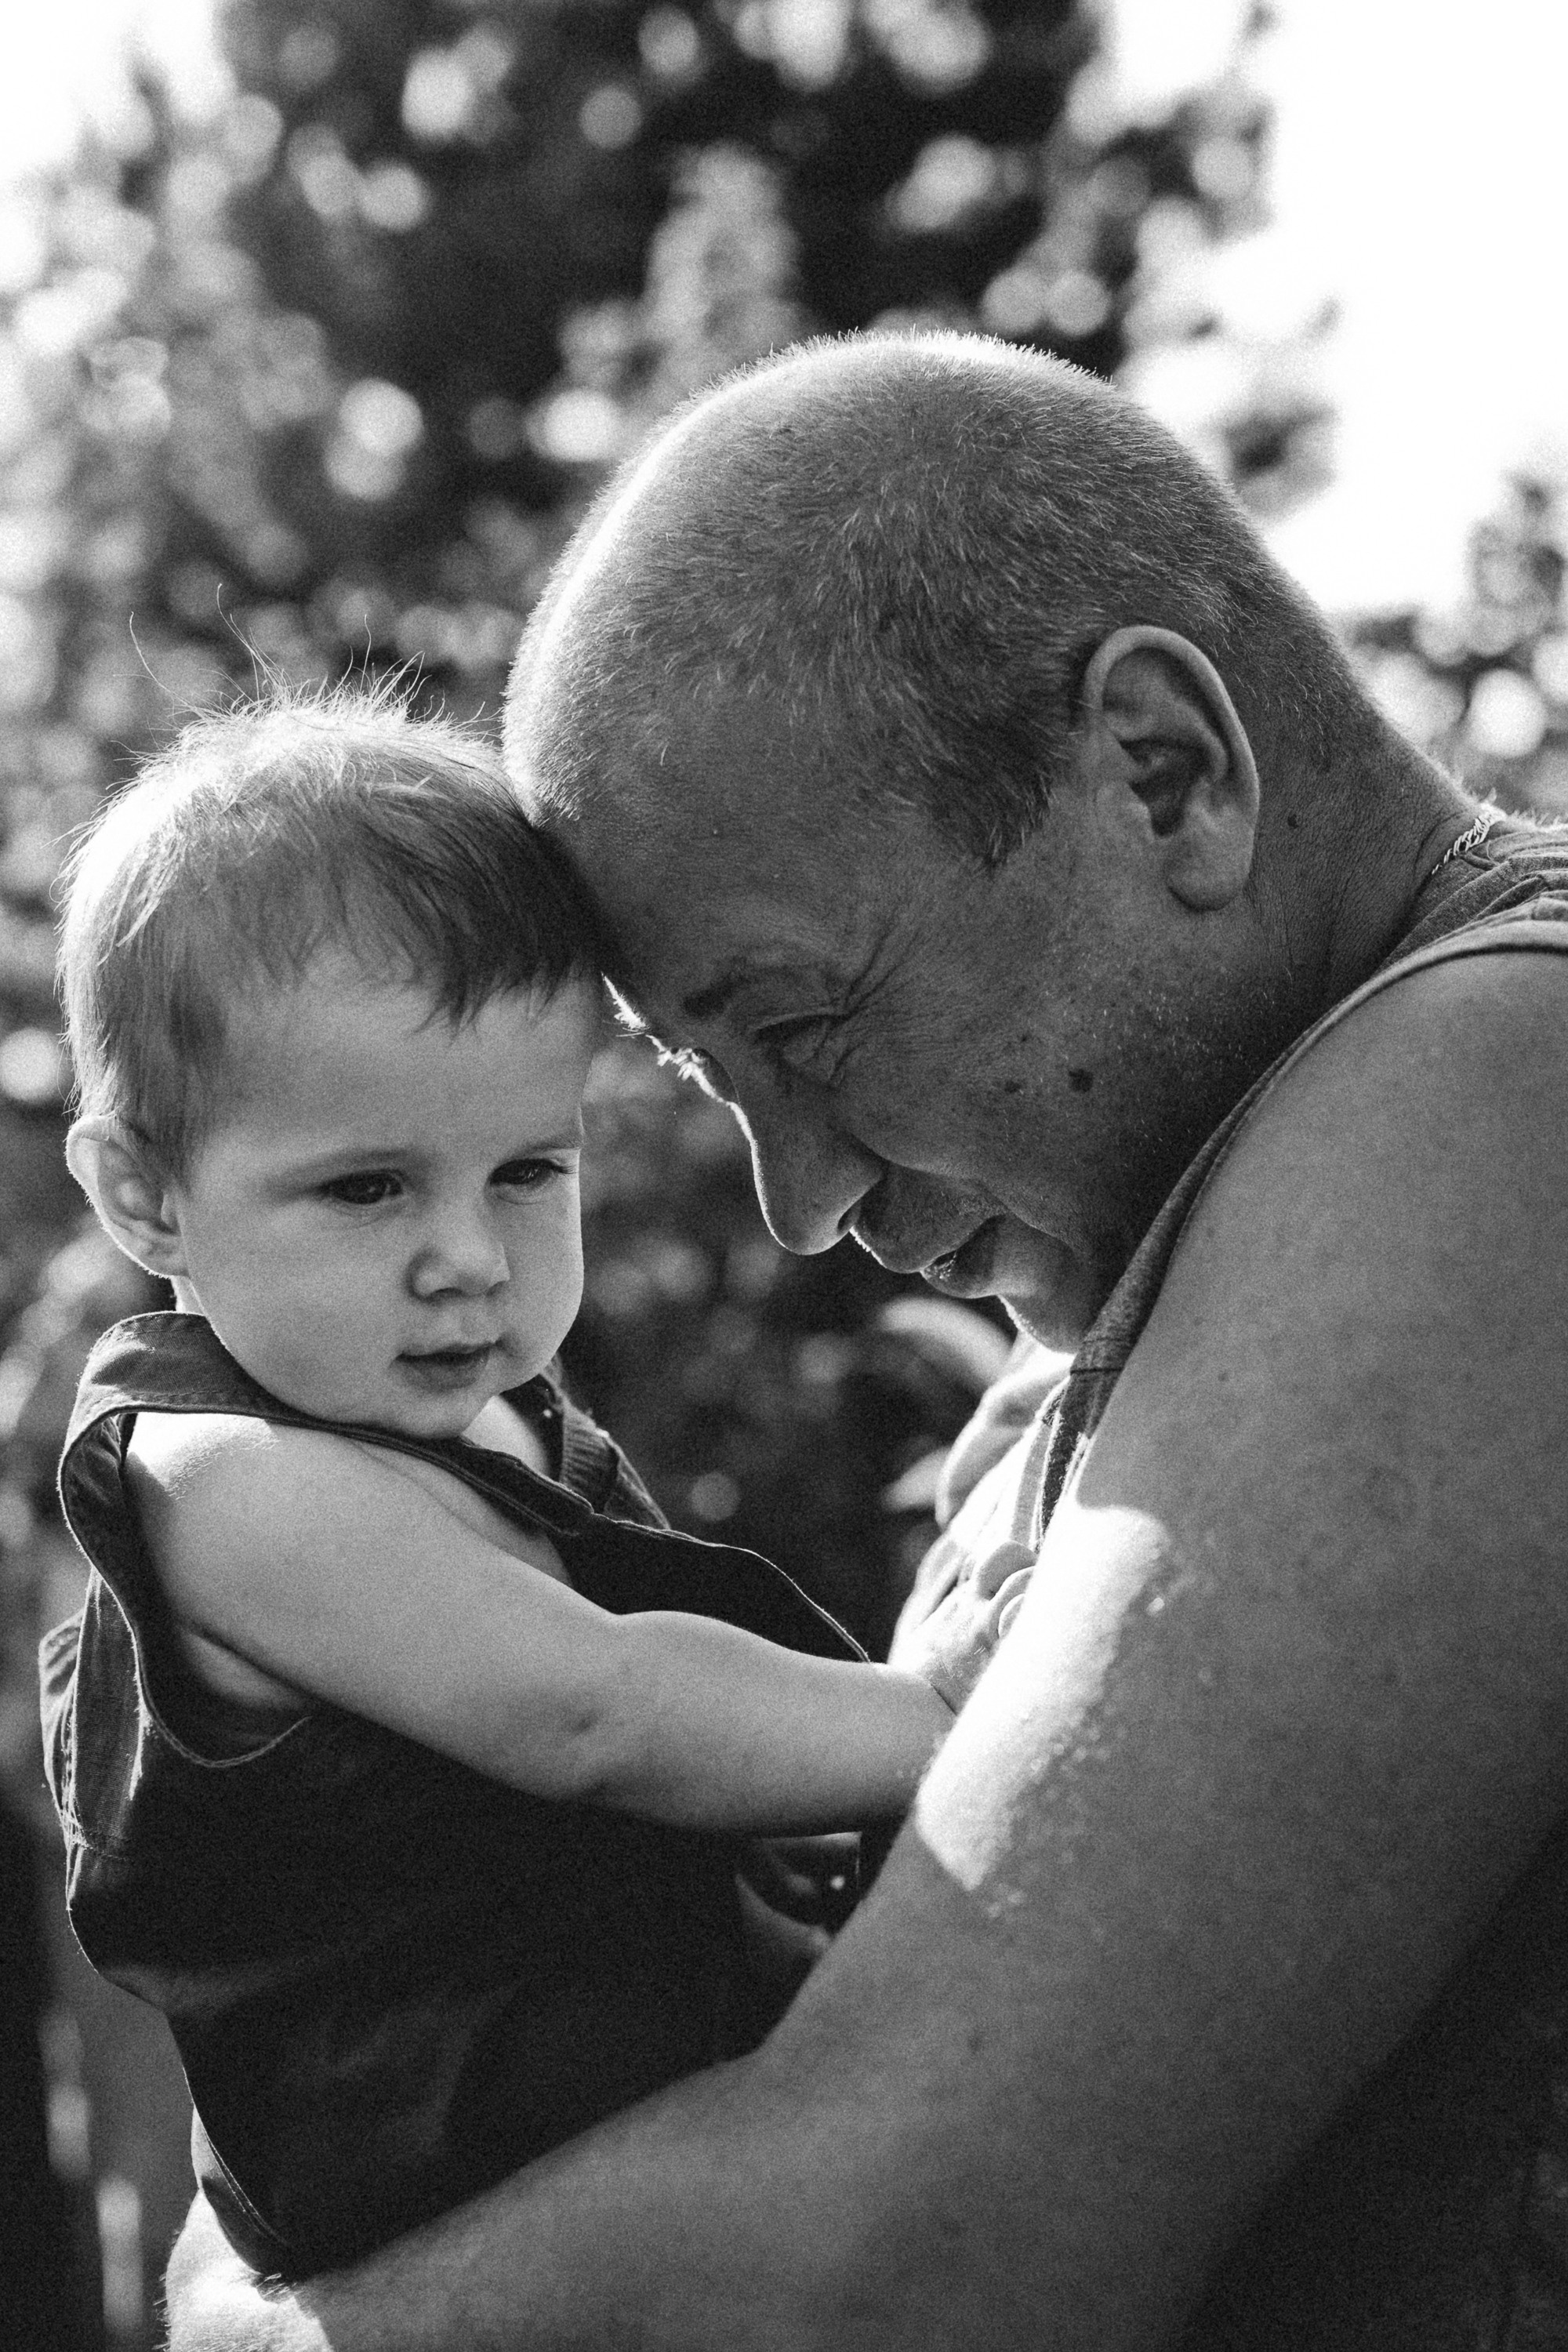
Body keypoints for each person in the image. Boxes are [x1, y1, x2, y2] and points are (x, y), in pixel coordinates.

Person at [166, 332, 1568, 2348]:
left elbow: (902, 2263)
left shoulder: (1498, 1094)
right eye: (709, 1079)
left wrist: (245, 2328)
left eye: (807, 1026)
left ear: (1161, 773)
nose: (800, 1200)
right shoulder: (1139, 1303)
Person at [39, 688, 1011, 2281]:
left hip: (595, 2086)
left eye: (525, 1171)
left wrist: (773, 1822)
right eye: (368, 1188)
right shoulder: (229, 1481)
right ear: (147, 1199)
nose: (469, 1260)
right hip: (445, 2168)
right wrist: (968, 1715)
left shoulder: (460, 1418)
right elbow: (589, 1711)